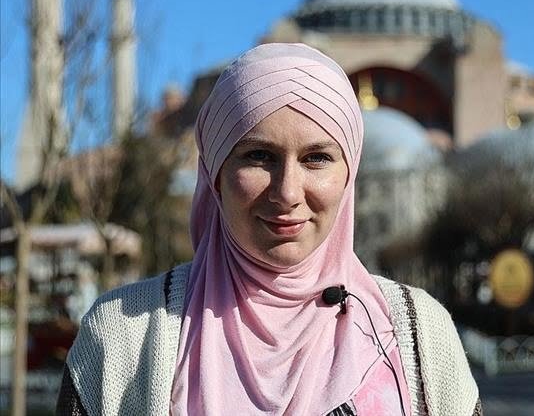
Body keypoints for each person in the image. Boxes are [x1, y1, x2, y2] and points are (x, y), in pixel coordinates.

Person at [56, 43, 481, 416]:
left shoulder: (420, 333)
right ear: (216, 173)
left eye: (316, 158)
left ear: (348, 176)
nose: (288, 193)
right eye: (259, 156)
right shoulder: (123, 337)